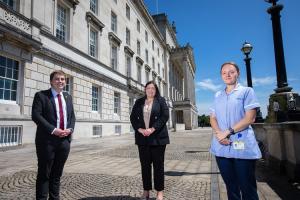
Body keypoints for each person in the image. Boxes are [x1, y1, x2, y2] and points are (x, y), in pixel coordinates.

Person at [209, 62, 261, 200]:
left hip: (242, 146)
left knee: (247, 187)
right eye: (224, 72)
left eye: (231, 72)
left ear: (238, 73)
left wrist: (227, 132)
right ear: (221, 76)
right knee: (231, 188)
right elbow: (213, 118)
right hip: (221, 146)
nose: (228, 75)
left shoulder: (247, 91)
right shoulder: (217, 95)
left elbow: (250, 118)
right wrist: (219, 134)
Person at [32, 70, 76, 200]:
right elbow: (36, 116)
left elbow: (72, 116)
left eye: (63, 79)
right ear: (51, 81)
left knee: (57, 174)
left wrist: (70, 129)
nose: (60, 81)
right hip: (47, 141)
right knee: (44, 174)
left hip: (64, 141)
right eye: (57, 79)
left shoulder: (68, 97)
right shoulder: (41, 96)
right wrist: (53, 130)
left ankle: (54, 198)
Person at [130, 81, 169, 200]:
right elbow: (132, 117)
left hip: (158, 139)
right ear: (145, 89)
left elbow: (165, 116)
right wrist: (140, 129)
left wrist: (152, 128)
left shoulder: (161, 101)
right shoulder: (139, 102)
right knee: (145, 166)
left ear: (155, 90)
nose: (150, 90)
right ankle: (146, 191)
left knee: (158, 166)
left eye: (153, 88)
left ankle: (159, 193)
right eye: (148, 88)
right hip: (143, 139)